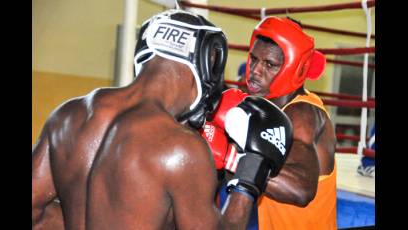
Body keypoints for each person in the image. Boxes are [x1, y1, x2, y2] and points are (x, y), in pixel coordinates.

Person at [32, 9, 294, 229]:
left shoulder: (67, 115)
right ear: (206, 66)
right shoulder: (181, 148)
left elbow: (36, 213)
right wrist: (249, 178)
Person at [202, 16, 337, 229]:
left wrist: (230, 158)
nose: (255, 70)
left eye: (269, 64)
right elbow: (250, 173)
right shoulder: (260, 108)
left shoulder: (302, 113)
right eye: (254, 59)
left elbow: (301, 189)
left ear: (294, 68)